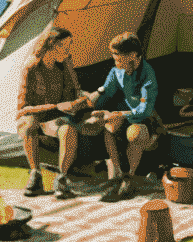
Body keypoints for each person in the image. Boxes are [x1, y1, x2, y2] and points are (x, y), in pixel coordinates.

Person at [73, 31, 160, 202]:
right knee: (109, 126)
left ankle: (130, 178)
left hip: (143, 119)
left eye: (118, 57)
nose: (115, 61)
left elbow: (145, 109)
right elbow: (106, 91)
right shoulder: (116, 71)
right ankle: (117, 175)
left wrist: (120, 115)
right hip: (121, 115)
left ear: (133, 55)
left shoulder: (147, 75)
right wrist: (91, 105)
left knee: (134, 134)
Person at [16, 24, 86, 199]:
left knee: (68, 129)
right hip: (35, 117)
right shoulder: (31, 67)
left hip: (55, 119)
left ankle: (61, 179)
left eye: (70, 46)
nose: (68, 50)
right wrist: (56, 106)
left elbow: (73, 94)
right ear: (50, 45)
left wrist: (78, 102)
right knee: (29, 124)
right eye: (64, 46)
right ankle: (35, 175)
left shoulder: (63, 66)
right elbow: (23, 108)